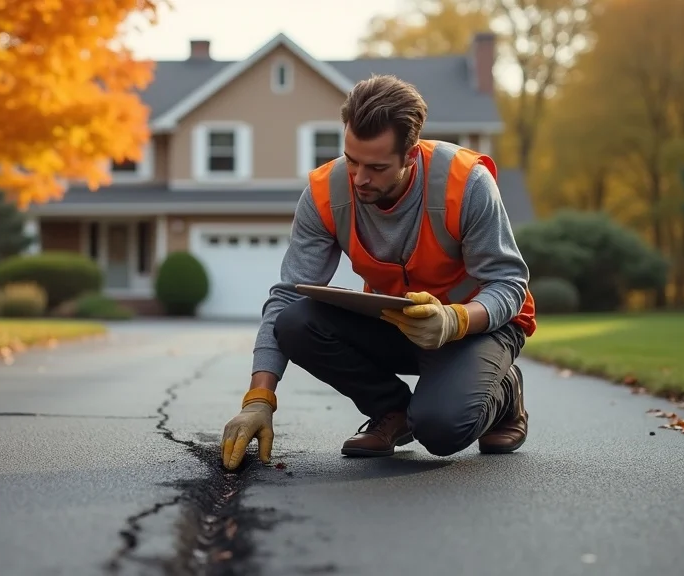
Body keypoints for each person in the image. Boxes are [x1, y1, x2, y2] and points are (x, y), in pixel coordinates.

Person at [219, 74, 537, 471]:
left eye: (376, 167)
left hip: (477, 326)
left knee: (441, 431)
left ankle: (504, 390)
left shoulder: (466, 183)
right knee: (294, 321)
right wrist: (259, 400)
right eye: (351, 159)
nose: (359, 178)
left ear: (410, 154)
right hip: (399, 323)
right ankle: (392, 411)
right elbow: (287, 294)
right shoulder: (325, 194)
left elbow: (508, 283)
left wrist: (453, 321)